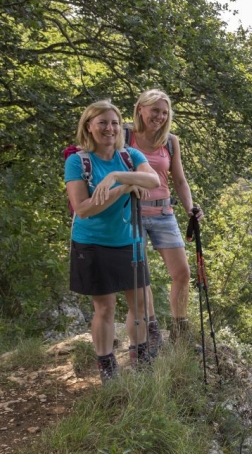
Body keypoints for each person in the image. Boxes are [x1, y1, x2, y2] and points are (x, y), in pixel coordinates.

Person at [65, 100, 160, 382]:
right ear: (89, 127)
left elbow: (153, 181)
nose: (110, 128)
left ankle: (140, 356)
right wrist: (125, 188)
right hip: (93, 243)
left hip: (129, 241)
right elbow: (83, 208)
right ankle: (106, 365)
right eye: (103, 122)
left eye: (115, 122)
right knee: (104, 308)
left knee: (140, 305)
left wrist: (118, 176)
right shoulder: (78, 161)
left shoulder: (128, 156)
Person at [126, 89, 203, 352]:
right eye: (154, 110)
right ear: (141, 109)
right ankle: (152, 330)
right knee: (141, 275)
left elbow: (179, 180)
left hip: (163, 213)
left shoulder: (170, 142)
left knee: (182, 272)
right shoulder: (124, 136)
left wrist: (191, 209)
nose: (159, 116)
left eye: (164, 112)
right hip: (130, 213)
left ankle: (180, 329)